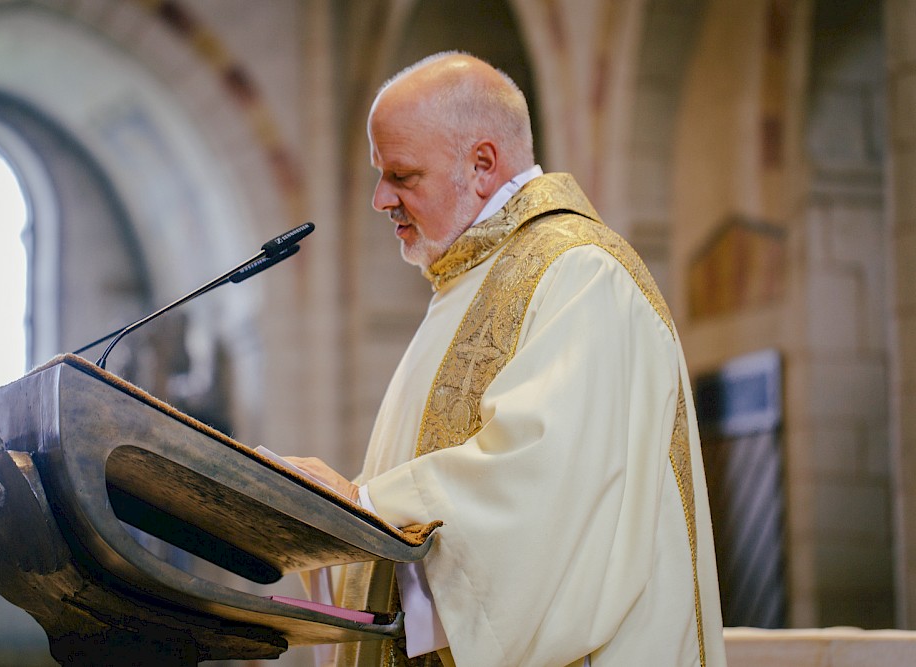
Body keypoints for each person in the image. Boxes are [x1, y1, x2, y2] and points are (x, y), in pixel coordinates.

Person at [286, 51, 727, 667]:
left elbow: (543, 494)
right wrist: (329, 519)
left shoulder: (580, 273)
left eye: (403, 175)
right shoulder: (467, 282)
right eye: (379, 173)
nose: (379, 198)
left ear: (483, 165)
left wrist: (361, 510)